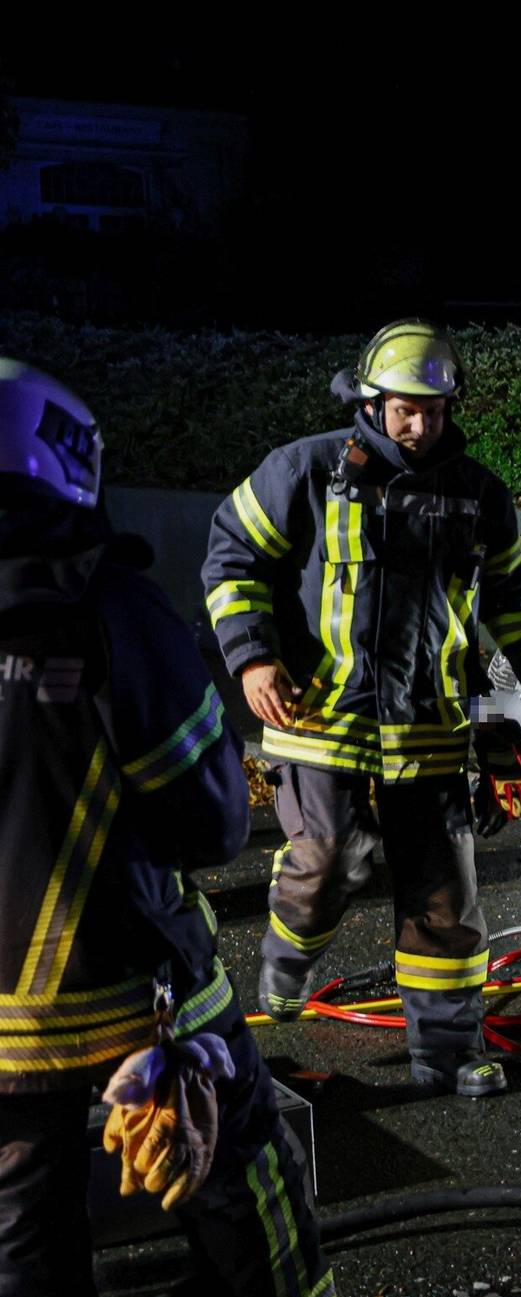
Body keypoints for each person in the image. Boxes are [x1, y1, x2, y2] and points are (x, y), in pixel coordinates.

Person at [0, 360, 332, 1295]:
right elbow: (212, 819)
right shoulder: (107, 608)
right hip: (130, 1007)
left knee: (21, 1250)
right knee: (249, 1207)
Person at [202, 320, 521, 1098]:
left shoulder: (477, 493)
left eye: (433, 411)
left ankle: (448, 1049)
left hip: (431, 728)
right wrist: (254, 656)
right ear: (371, 399)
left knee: (444, 897)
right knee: (329, 857)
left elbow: (512, 592)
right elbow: (234, 555)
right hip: (322, 718)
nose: (419, 425)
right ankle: (287, 959)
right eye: (404, 409)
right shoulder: (304, 469)